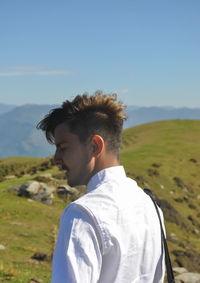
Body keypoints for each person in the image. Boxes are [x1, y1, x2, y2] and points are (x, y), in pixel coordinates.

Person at [37, 91, 165, 283]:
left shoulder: (82, 213)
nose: (56, 159)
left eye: (63, 147)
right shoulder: (150, 206)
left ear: (95, 146)